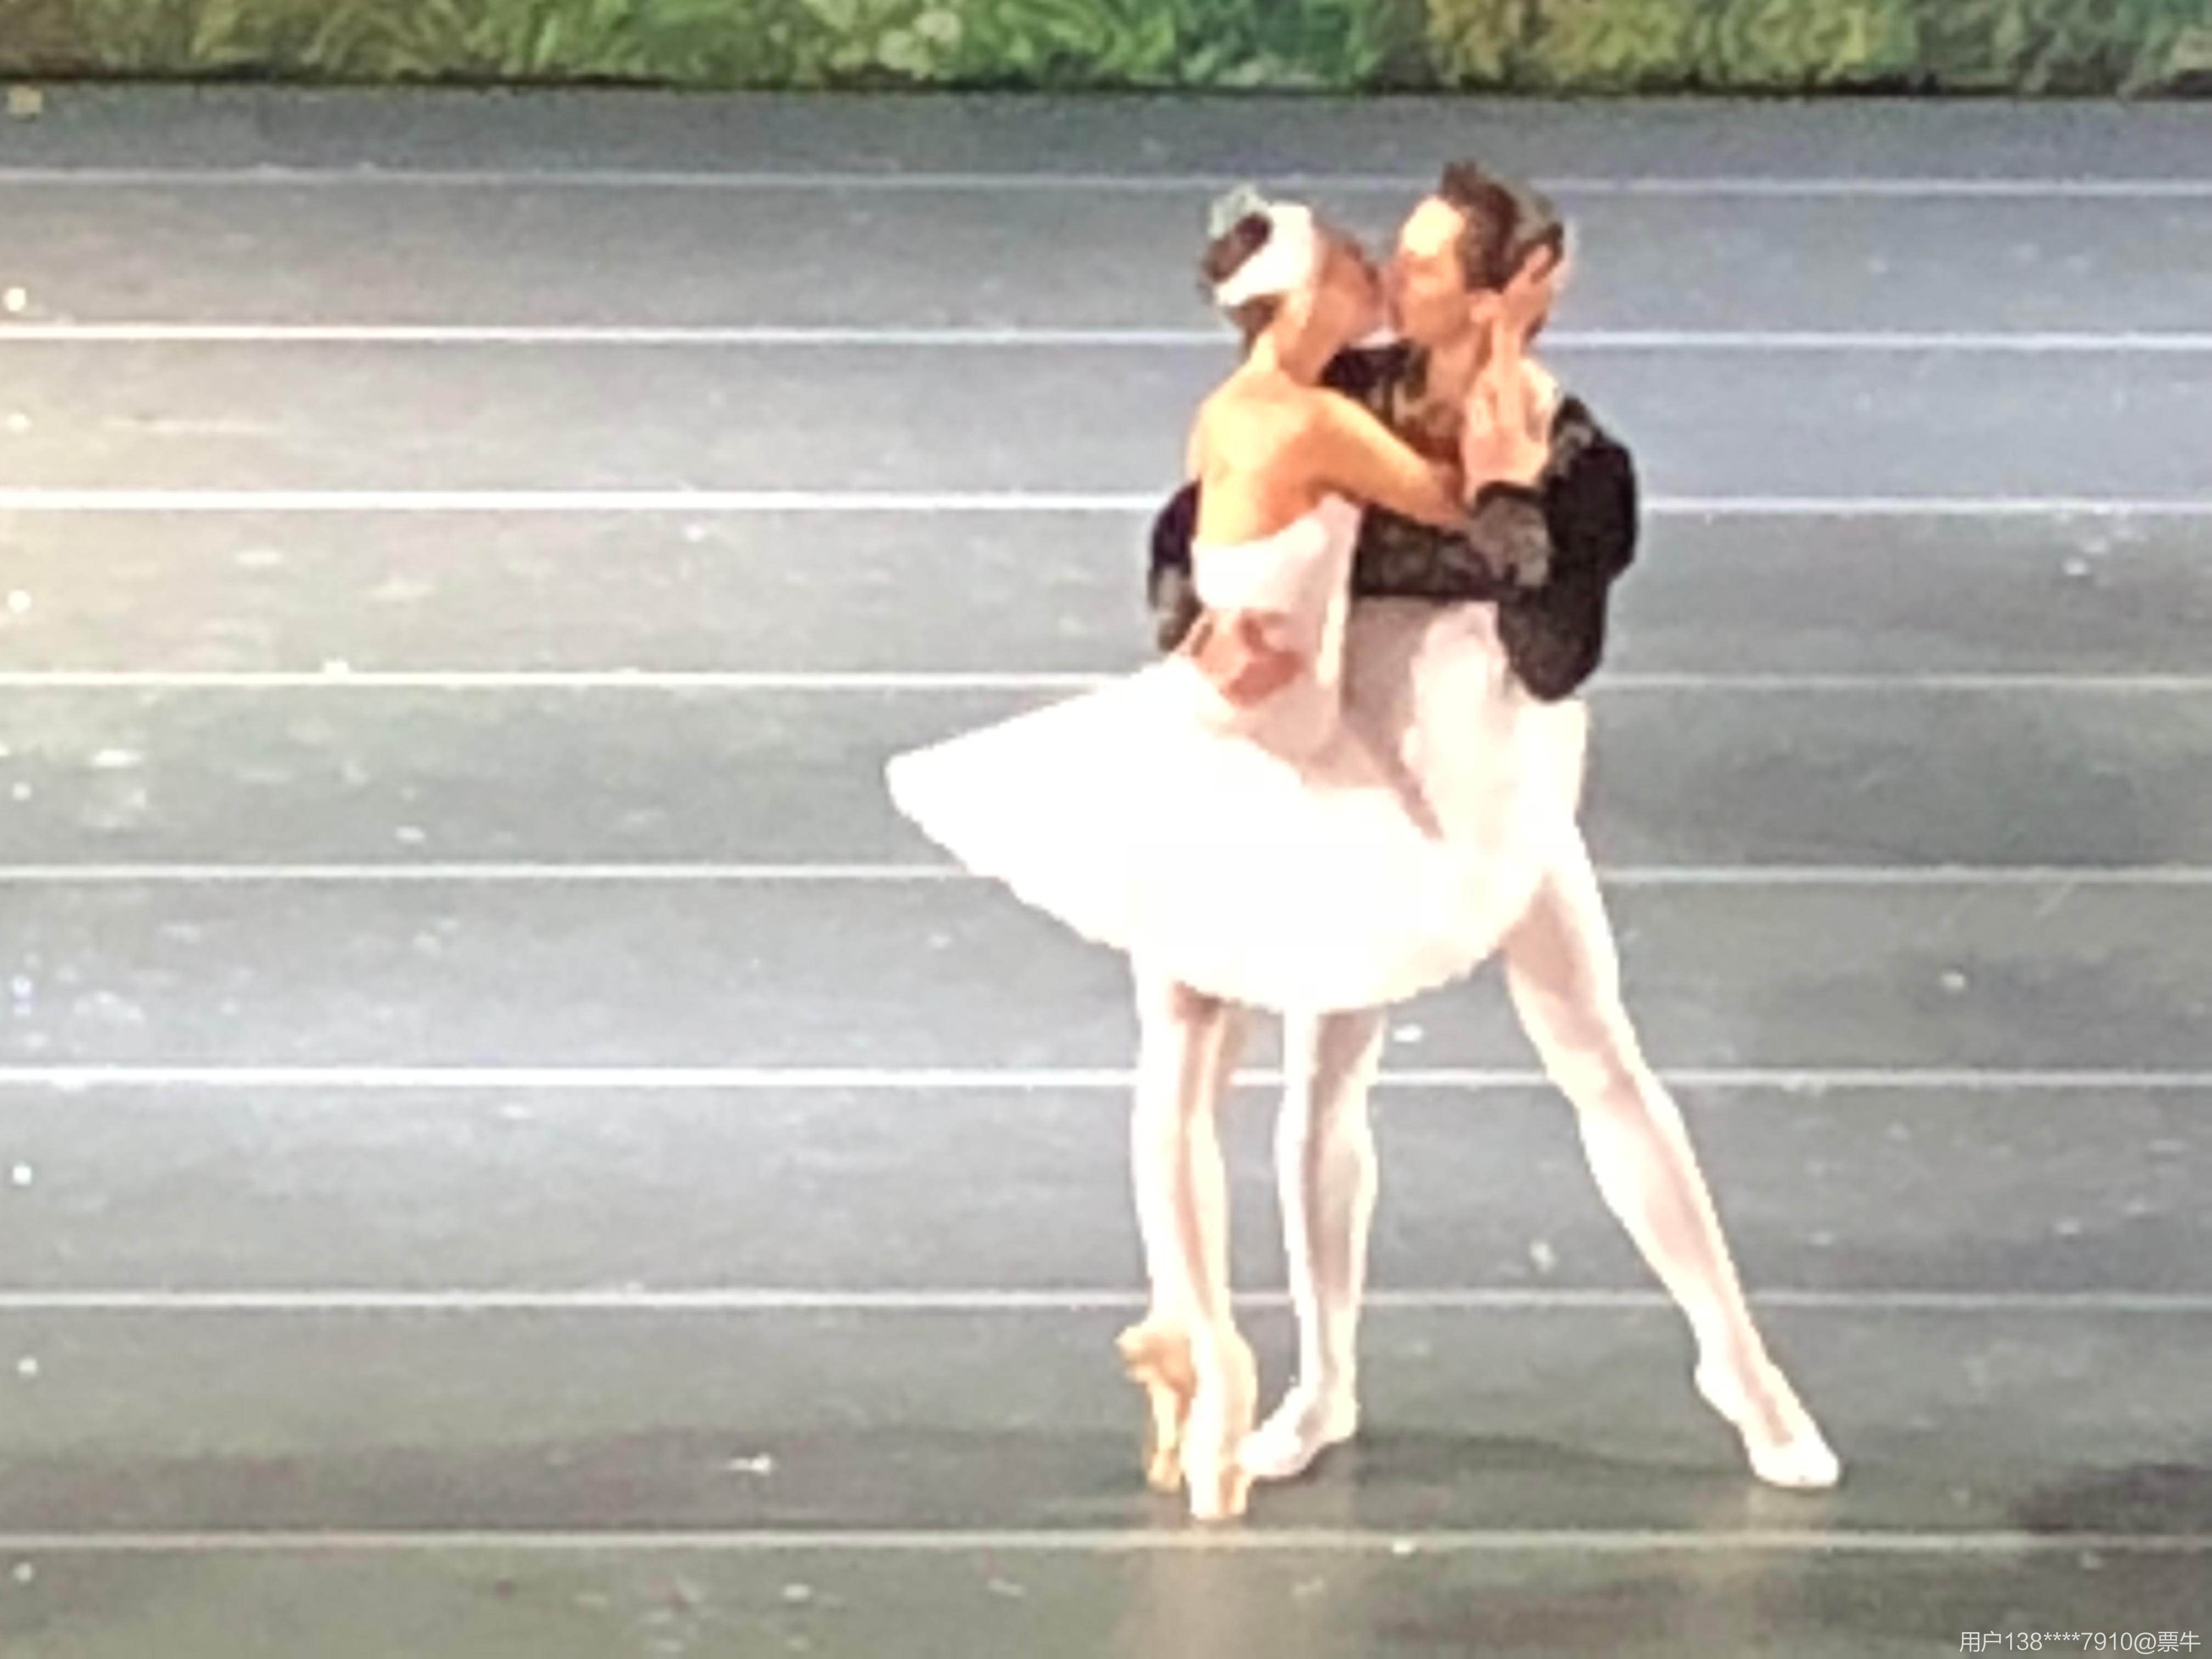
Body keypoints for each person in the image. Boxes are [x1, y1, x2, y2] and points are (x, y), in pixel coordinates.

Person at [1143, 164, 1842, 1493]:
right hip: (1347, 762)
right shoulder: (1354, 392)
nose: (1390, 278)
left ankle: (1738, 1362)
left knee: (1597, 1055)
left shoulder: (1579, 458)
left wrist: (1514, 493)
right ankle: (1325, 1378)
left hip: (1483, 772)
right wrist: (1198, 622)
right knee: (1323, 1075)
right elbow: (1198, 515)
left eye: (1420, 266)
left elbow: (1556, 653)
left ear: (1499, 294)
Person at [885, 191, 1547, 1520]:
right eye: (1353, 265)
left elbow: (1217, 550)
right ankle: (1210, 1355)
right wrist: (1512, 354)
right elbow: (1455, 502)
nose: (1373, 275)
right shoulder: (1307, 419)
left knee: (1182, 1065)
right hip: (1255, 755)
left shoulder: (1239, 410)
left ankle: (1191, 1333)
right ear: (1303, 303)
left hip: (1234, 726)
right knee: (1197, 1053)